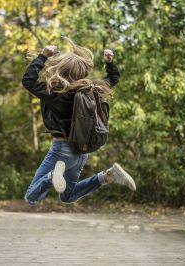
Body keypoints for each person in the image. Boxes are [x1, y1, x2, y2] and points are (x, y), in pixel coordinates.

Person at [22, 38, 136, 205]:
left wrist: (43, 55)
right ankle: (108, 176)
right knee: (67, 196)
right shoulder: (91, 90)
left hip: (61, 150)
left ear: (61, 68)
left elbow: (28, 81)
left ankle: (52, 176)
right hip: (81, 152)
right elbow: (113, 79)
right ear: (81, 71)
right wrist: (109, 63)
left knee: (31, 196)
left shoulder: (54, 92)